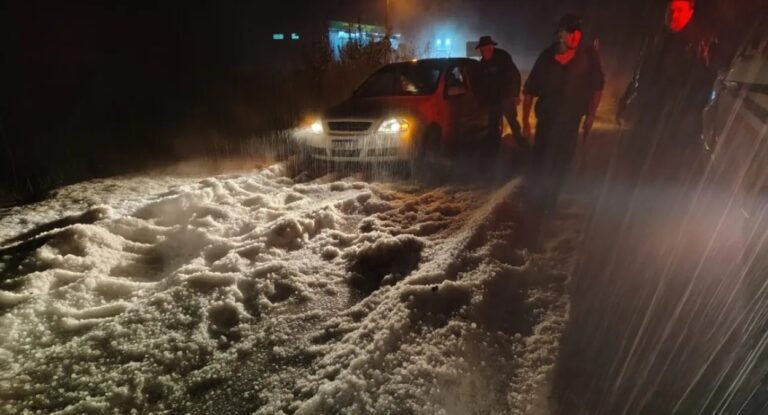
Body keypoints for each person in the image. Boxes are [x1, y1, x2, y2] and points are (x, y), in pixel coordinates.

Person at [617, 0, 722, 183]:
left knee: (669, 175)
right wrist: (626, 99)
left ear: (690, 11)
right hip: (649, 120)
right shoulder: (656, 38)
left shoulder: (701, 43)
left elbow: (704, 86)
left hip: (676, 129)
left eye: (680, 10)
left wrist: (683, 115)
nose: (673, 15)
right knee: (639, 172)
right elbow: (641, 72)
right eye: (671, 10)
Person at [521, 13, 604, 221]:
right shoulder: (546, 57)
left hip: (570, 122)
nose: (575, 37)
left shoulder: (588, 56)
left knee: (561, 163)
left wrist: (591, 115)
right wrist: (525, 122)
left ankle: (550, 202)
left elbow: (597, 87)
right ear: (560, 34)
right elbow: (529, 90)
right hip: (546, 121)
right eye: (570, 32)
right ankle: (536, 201)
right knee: (540, 161)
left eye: (578, 33)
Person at [475, 35, 525, 155]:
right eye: (482, 50)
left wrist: (515, 94)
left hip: (506, 98)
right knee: (493, 127)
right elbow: (479, 83)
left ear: (492, 47)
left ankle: (523, 147)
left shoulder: (503, 57)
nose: (485, 52)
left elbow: (515, 76)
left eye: (487, 49)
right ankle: (493, 152)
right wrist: (482, 98)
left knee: (513, 123)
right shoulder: (482, 64)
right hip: (493, 100)